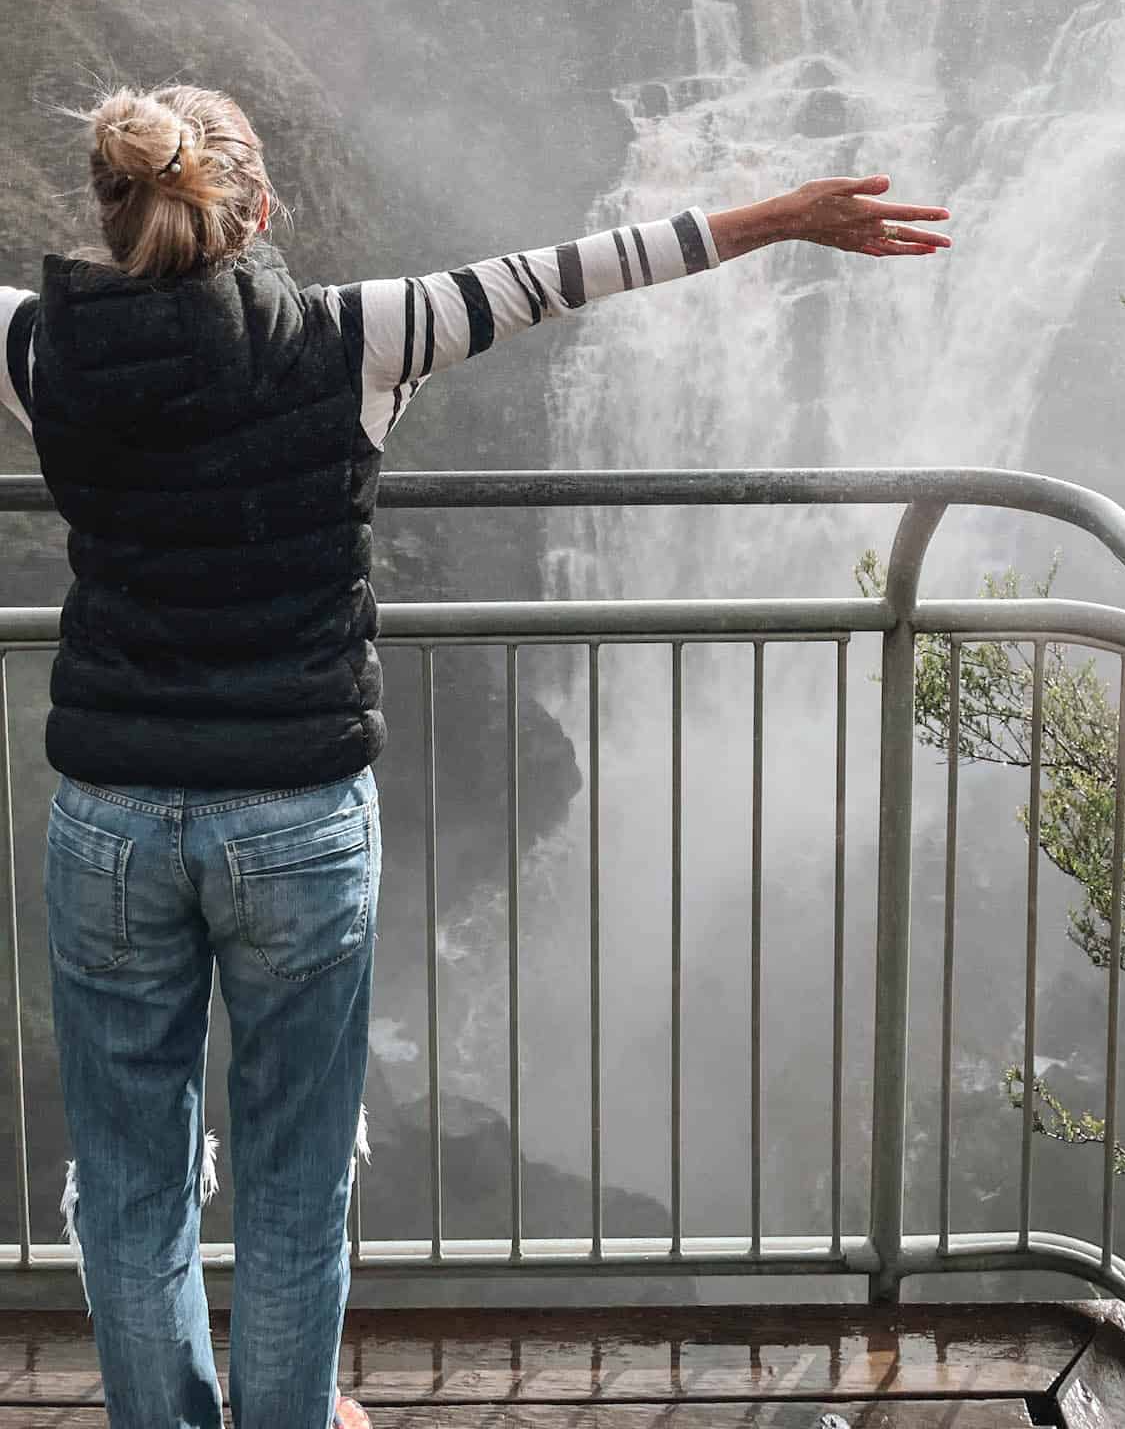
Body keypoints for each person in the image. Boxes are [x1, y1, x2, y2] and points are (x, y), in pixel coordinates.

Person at [0, 81, 952, 1429]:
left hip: (111, 820)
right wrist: (784, 218)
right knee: (293, 1180)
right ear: (261, 213)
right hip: (298, 819)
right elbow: (564, 276)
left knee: (131, 1175)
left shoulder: (46, 354)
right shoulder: (353, 338)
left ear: (110, 220)